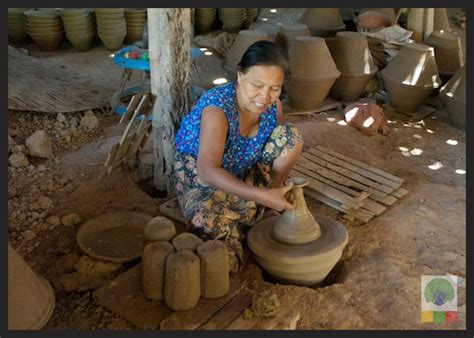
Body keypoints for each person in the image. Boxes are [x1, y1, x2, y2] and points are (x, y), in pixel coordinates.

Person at [173, 40, 303, 267]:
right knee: (208, 223)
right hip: (202, 179)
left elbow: (272, 149)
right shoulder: (218, 109)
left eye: (275, 88)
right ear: (240, 75)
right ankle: (259, 207)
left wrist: (269, 194)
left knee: (290, 136)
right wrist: (259, 196)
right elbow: (207, 171)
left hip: (242, 169)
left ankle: (271, 202)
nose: (265, 96)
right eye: (257, 85)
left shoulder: (273, 108)